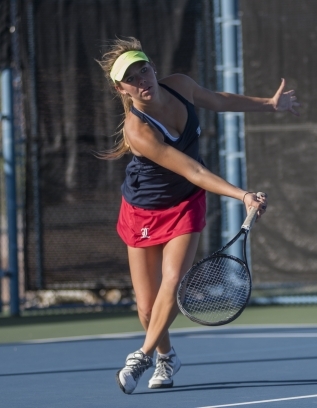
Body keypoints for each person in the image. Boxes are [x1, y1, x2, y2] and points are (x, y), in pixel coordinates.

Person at [96, 37, 300, 395]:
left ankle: (141, 357)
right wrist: (243, 194)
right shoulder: (137, 130)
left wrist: (270, 104)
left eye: (143, 69)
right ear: (121, 88)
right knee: (146, 309)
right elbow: (192, 169)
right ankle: (166, 356)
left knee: (172, 283)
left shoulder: (181, 86)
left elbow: (218, 100)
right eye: (131, 77)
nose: (141, 79)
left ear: (153, 67)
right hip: (142, 210)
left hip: (185, 205)